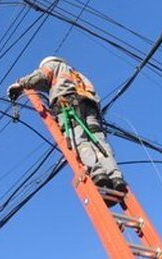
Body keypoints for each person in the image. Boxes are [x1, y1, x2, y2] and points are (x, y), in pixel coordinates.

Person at [8, 56, 127, 193]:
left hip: (69, 104)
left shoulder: (53, 65)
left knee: (79, 140)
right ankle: (115, 176)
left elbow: (40, 76)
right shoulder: (78, 75)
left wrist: (19, 84)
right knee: (99, 141)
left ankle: (97, 172)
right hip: (91, 107)